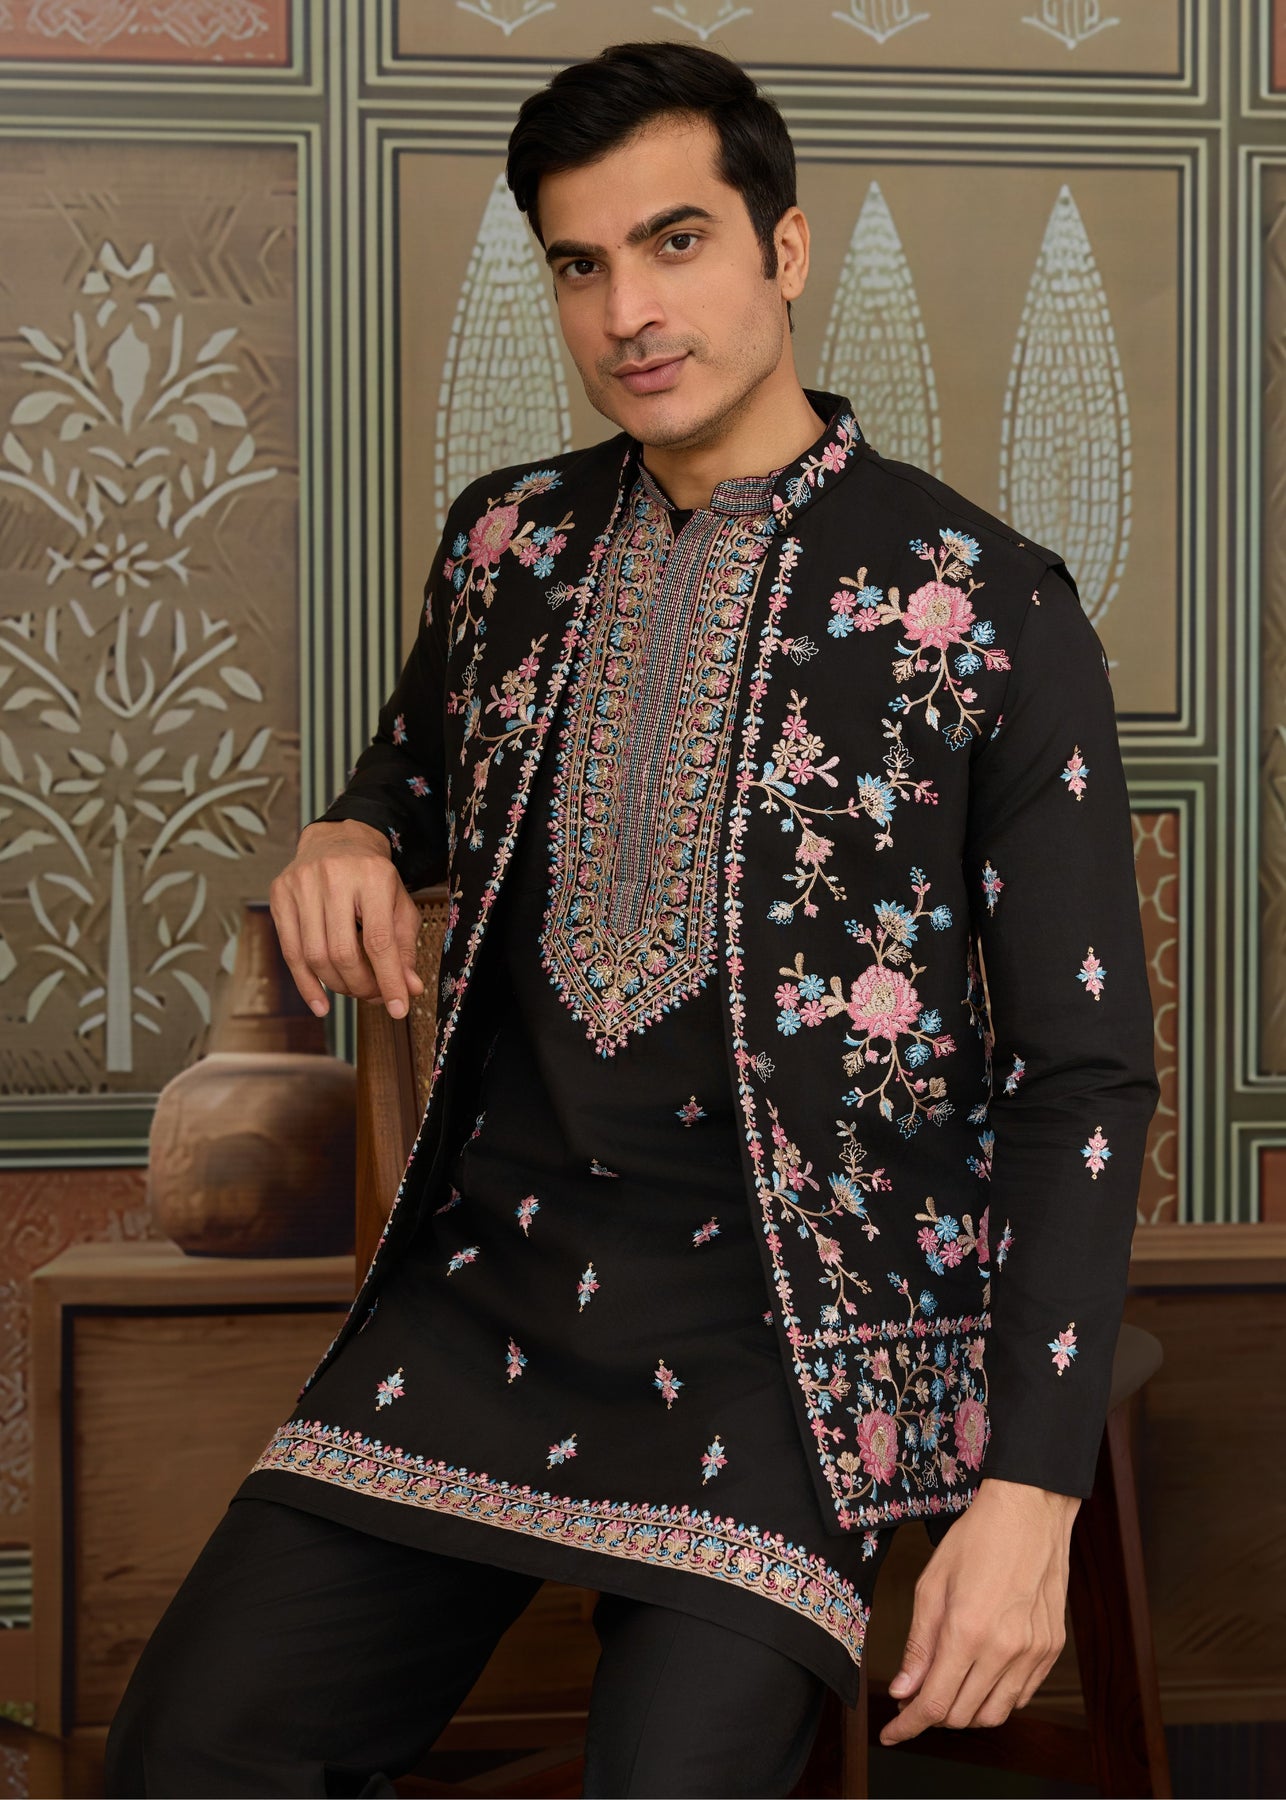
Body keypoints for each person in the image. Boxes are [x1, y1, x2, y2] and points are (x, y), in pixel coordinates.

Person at [105, 39, 1159, 1800]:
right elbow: (411, 776)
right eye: (580, 264)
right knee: (191, 1756)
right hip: (488, 1299)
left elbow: (1083, 1077)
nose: (627, 313)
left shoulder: (983, 606)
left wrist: (1027, 1491)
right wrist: (346, 832)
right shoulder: (503, 548)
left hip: (797, 1342)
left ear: (783, 248)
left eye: (676, 243)